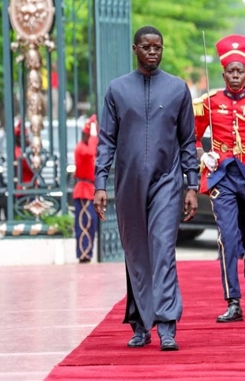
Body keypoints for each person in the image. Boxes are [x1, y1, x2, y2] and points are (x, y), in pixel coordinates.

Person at [94, 26, 199, 351]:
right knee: (136, 253)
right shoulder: (117, 90)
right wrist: (100, 183)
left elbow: (188, 141)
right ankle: (140, 324)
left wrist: (192, 184)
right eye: (147, 47)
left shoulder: (178, 89)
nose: (153, 52)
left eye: (158, 47)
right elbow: (106, 140)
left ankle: (167, 325)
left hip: (167, 182)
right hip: (128, 184)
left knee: (163, 250)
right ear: (135, 49)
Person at [193, 34, 245, 322]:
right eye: (231, 71)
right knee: (227, 238)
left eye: (240, 71)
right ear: (224, 74)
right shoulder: (209, 103)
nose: (236, 75)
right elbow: (190, 136)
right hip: (222, 177)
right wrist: (203, 155)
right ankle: (233, 301)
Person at [73, 115, 99, 263]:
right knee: (85, 223)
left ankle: (87, 253)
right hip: (83, 190)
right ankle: (83, 254)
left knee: (91, 223)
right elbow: (91, 152)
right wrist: (94, 135)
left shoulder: (86, 146)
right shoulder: (81, 148)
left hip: (89, 189)